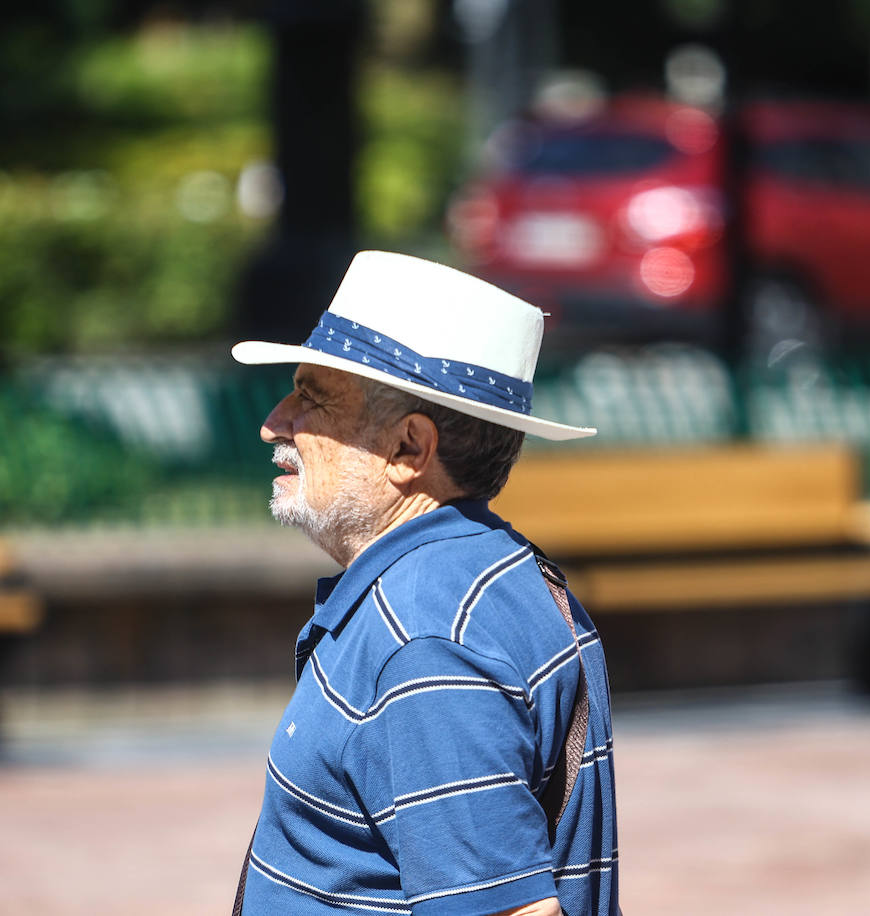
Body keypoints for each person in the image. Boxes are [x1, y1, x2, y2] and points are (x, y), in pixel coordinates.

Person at [228, 251, 618, 915]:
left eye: (313, 398)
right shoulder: (483, 572)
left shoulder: (427, 638)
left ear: (409, 449)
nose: (275, 422)